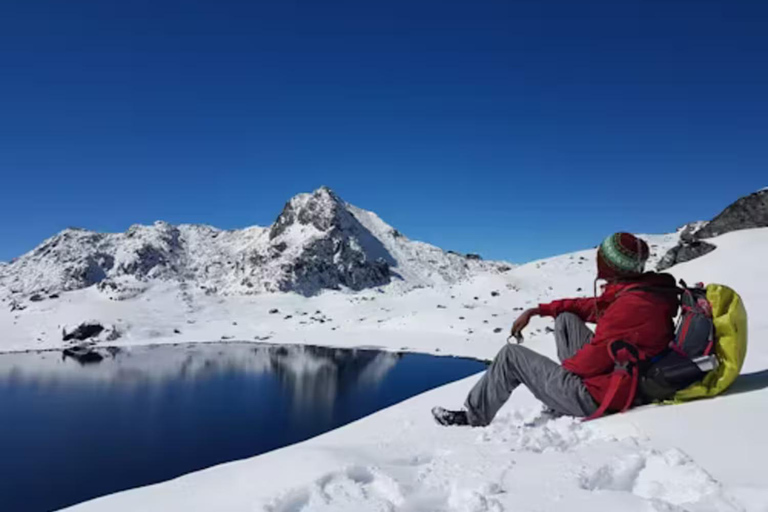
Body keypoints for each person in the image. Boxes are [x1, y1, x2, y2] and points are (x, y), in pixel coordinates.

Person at [432, 232, 680, 427]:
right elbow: (587, 307)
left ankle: (473, 417)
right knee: (566, 317)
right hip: (617, 376)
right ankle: (559, 394)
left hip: (599, 395)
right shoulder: (639, 292)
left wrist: (551, 380)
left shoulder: (630, 306)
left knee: (511, 356)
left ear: (612, 265)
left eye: (602, 257)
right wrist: (538, 310)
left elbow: (590, 362)